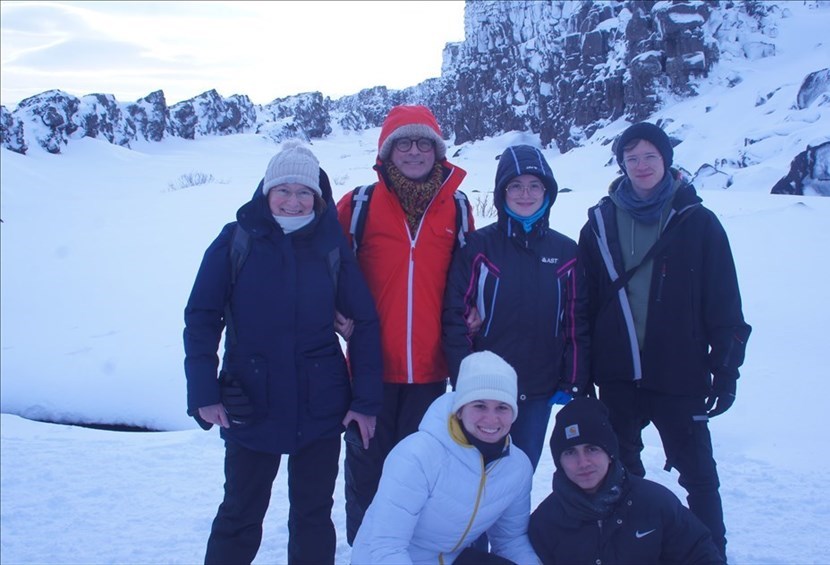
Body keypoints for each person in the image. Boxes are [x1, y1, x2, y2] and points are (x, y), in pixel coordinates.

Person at [183, 141, 383, 565]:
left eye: (304, 192)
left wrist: (365, 401)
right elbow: (202, 317)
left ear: (318, 197)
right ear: (266, 192)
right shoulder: (235, 240)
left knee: (312, 516)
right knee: (240, 512)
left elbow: (364, 323)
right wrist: (204, 392)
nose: (293, 202)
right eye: (284, 190)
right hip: (249, 401)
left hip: (321, 405)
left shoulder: (331, 246)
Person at [576, 122, 751, 560]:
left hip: (680, 372)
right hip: (618, 374)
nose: (640, 165)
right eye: (631, 157)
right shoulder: (599, 222)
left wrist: (725, 370)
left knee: (698, 476)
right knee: (620, 474)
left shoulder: (699, 222)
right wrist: (580, 372)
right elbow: (582, 301)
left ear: (666, 161)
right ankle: (629, 551)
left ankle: (712, 553)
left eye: (649, 156)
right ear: (621, 164)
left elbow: (724, 302)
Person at [336, 104, 475, 544]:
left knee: (419, 476)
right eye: (404, 143)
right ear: (387, 152)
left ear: (437, 152)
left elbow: (471, 272)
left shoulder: (457, 206)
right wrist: (330, 311)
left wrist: (475, 308)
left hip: (431, 372)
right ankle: (366, 553)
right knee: (366, 475)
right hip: (369, 371)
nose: (414, 152)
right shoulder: (358, 204)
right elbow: (323, 266)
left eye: (423, 143)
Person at [443, 144, 589, 472]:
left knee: (520, 473)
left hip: (539, 388)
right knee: (476, 475)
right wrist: (462, 376)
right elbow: (454, 316)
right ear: (502, 192)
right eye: (516, 185)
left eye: (534, 185)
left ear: (547, 192)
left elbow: (576, 322)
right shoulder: (478, 247)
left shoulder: (566, 252)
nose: (525, 194)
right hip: (485, 390)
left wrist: (573, 378)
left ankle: (515, 527)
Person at [351, 351, 540, 565]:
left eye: (502, 407)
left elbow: (510, 541)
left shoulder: (517, 467)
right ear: (459, 410)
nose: (491, 418)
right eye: (479, 405)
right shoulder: (417, 456)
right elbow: (387, 546)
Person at [529, 397, 724, 564]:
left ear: (610, 453)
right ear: (559, 461)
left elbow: (700, 555)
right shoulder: (545, 522)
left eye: (592, 449)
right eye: (570, 452)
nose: (583, 462)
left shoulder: (656, 504)